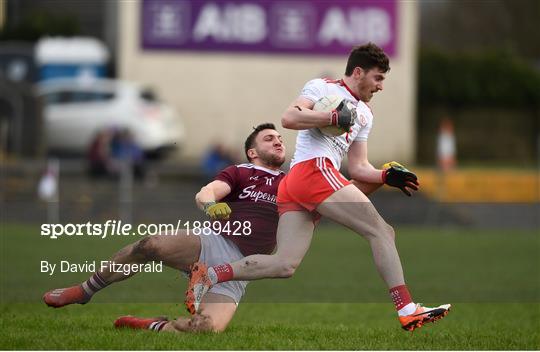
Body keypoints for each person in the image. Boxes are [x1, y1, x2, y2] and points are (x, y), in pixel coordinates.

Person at [185, 43, 451, 332]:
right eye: (378, 78)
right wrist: (331, 117)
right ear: (358, 72)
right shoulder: (323, 87)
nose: (381, 86)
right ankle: (407, 309)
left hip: (300, 184)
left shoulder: (366, 114)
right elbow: (289, 118)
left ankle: (210, 275)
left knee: (284, 265)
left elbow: (359, 167)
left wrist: (385, 176)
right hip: (314, 170)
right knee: (382, 231)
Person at [43, 123, 286, 333]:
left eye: (280, 138)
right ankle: (84, 291)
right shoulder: (242, 171)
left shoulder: (289, 182)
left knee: (204, 330)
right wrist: (211, 206)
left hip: (241, 267)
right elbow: (207, 192)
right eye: (269, 138)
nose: (278, 141)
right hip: (211, 242)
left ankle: (151, 325)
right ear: (252, 152)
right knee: (150, 245)